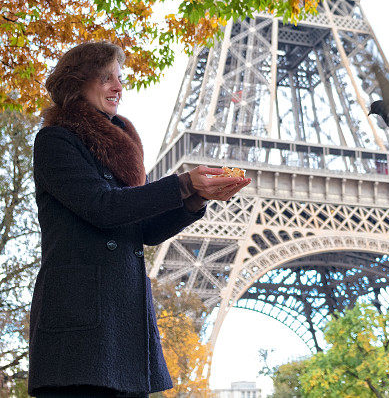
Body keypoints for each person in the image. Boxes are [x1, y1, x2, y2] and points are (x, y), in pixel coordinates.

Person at [28, 41, 250, 397]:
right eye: (106, 79)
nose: (118, 87)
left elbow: (143, 230)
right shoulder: (55, 142)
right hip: (78, 334)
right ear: (75, 83)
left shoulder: (120, 153)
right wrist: (180, 183)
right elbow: (104, 207)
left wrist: (194, 198)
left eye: (120, 78)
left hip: (124, 332)